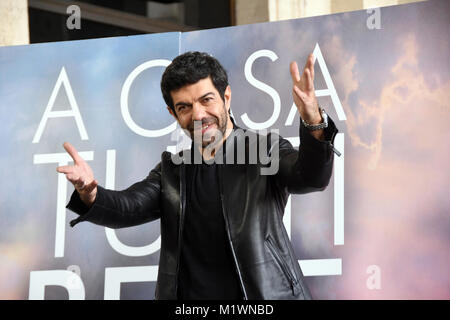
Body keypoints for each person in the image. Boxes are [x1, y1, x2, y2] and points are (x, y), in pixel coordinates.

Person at [57, 51, 338, 300]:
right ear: (173, 113)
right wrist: (90, 193)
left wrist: (314, 120)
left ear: (226, 97)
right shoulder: (172, 170)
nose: (199, 114)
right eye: (184, 107)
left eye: (206, 100)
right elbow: (129, 207)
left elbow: (311, 177)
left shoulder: (264, 149)